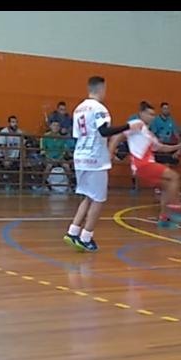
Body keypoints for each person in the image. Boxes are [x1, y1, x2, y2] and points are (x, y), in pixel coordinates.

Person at [63, 75, 137, 253]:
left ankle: (73, 231)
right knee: (98, 199)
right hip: (95, 159)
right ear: (101, 89)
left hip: (79, 157)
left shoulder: (78, 108)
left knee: (87, 196)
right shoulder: (100, 108)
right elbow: (104, 131)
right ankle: (86, 237)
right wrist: (127, 127)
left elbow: (77, 135)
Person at [111, 101, 181, 229]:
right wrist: (111, 152)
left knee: (167, 187)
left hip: (145, 166)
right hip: (143, 165)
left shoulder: (148, 133)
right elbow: (118, 135)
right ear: (141, 114)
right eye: (149, 114)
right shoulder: (137, 124)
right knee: (174, 177)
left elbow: (161, 147)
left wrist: (179, 146)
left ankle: (164, 218)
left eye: (153, 114)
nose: (152, 117)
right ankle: (176, 209)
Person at [0, 115, 24, 185]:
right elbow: (2, 146)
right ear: (9, 123)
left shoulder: (20, 132)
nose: (14, 124)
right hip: (4, 155)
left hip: (16, 156)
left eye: (16, 122)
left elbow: (22, 146)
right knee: (7, 163)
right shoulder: (4, 131)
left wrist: (23, 158)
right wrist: (7, 158)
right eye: (12, 122)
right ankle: (6, 179)